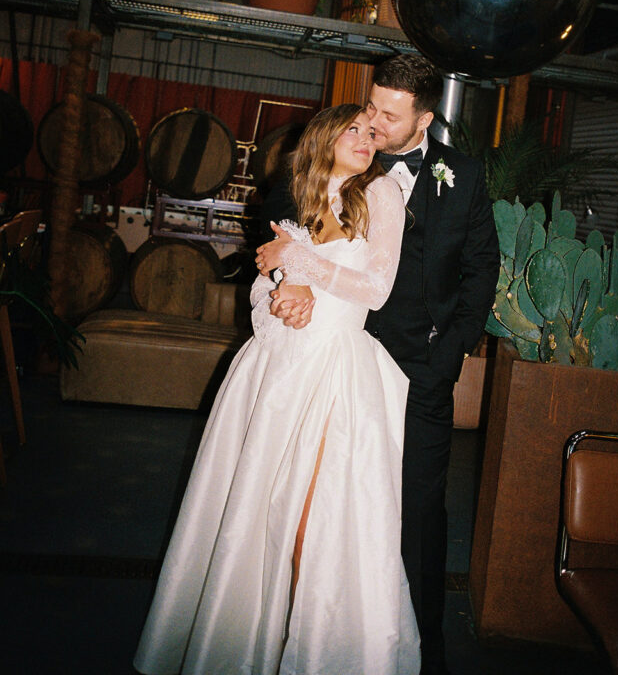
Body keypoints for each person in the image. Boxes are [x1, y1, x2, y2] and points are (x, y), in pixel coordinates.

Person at [134, 104, 421, 675]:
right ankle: (256, 648)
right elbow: (263, 294)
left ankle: (313, 653)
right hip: (277, 374)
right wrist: (286, 291)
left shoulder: (381, 194)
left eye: (371, 132)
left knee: (313, 520)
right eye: (354, 131)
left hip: (337, 378)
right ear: (323, 141)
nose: (367, 139)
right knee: (259, 519)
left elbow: (376, 289)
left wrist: (303, 269)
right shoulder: (302, 202)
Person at [266, 56, 500, 675]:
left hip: (421, 371)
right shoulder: (345, 160)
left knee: (419, 512)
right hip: (341, 365)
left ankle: (418, 653)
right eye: (370, 106)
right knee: (329, 505)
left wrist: (445, 362)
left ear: (425, 118)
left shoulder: (465, 176)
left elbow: (481, 275)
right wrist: (299, 281)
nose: (373, 121)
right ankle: (320, 637)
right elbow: (294, 233)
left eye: (389, 116)